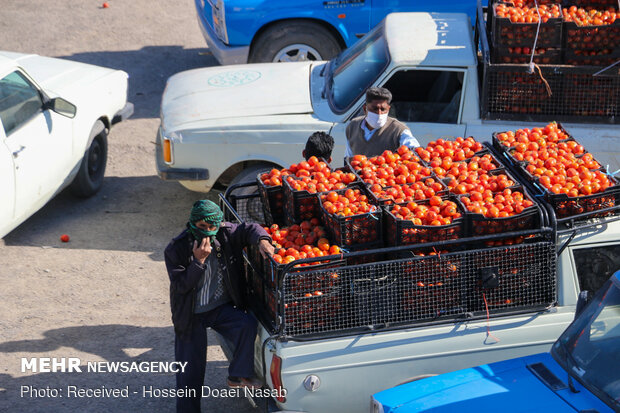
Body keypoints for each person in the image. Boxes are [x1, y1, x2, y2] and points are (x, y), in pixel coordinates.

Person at [164, 200, 275, 413]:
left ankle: (238, 375)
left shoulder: (226, 233)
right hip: (190, 314)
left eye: (211, 227)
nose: (206, 232)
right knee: (190, 372)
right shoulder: (176, 248)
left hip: (218, 308)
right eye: (201, 227)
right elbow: (180, 286)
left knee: (246, 325)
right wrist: (198, 262)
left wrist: (263, 240)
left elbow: (250, 228)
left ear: (218, 224)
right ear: (192, 223)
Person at [345, 87, 420, 158]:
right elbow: (349, 156)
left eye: (383, 109)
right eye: (375, 109)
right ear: (365, 109)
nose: (379, 113)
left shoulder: (398, 130)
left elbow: (414, 150)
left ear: (388, 109)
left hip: (387, 171)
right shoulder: (353, 126)